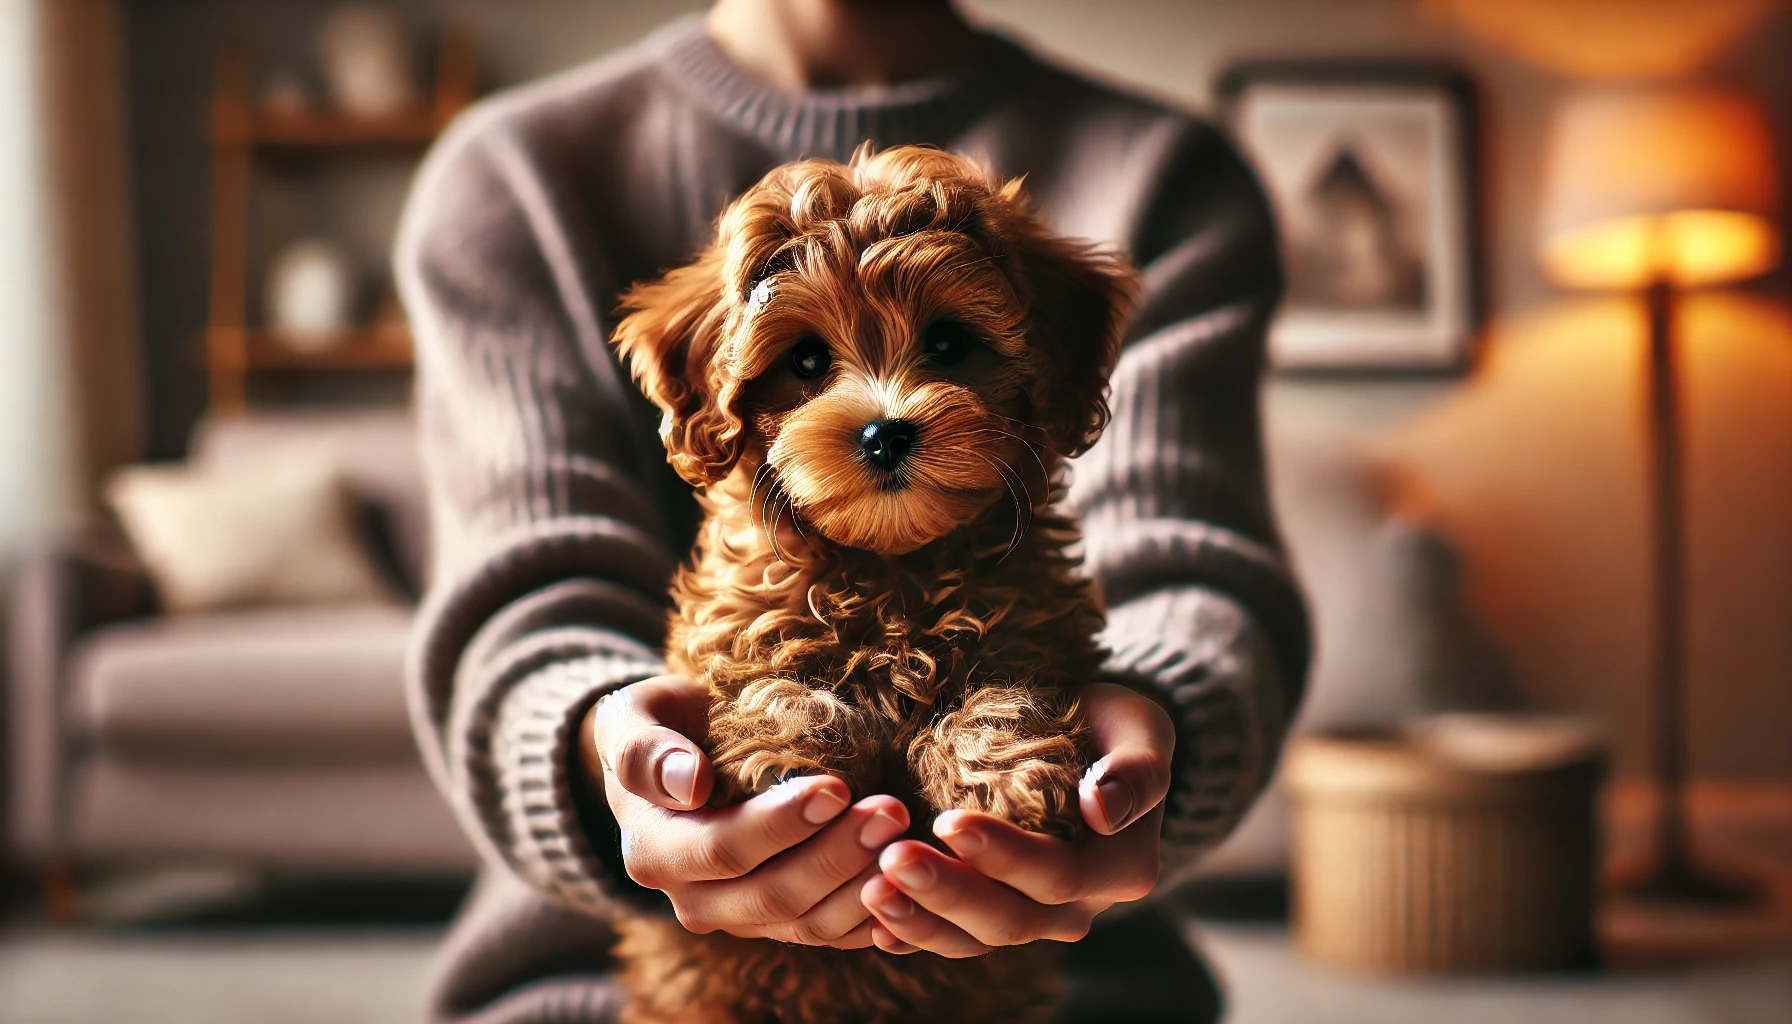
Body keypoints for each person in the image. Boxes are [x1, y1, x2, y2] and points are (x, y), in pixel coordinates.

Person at [395, 1, 1309, 1021]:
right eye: (805, 361)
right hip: (598, 990)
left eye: (952, 346)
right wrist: (616, 757)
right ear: (714, 396)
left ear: (1050, 359)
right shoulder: (510, 176)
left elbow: (1190, 577)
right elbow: (528, 604)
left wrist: (1142, 734)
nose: (886, 410)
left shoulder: (1173, 176)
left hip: (1065, 985)